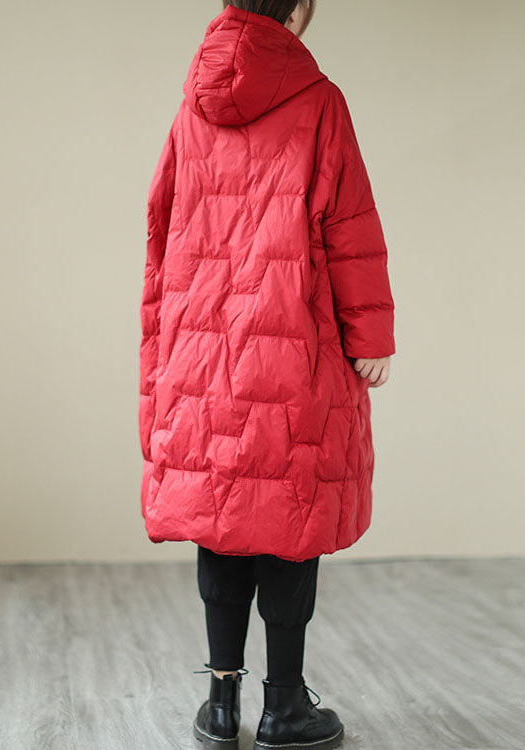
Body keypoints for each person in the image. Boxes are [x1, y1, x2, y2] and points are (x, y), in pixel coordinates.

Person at [138, 1, 396, 748]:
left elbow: (161, 230)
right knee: (289, 519)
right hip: (292, 350)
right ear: (300, 5)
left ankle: (220, 704)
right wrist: (372, 335)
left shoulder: (192, 107)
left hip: (201, 354)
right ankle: (284, 706)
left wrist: (164, 339)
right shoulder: (318, 102)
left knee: (222, 516)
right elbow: (349, 227)